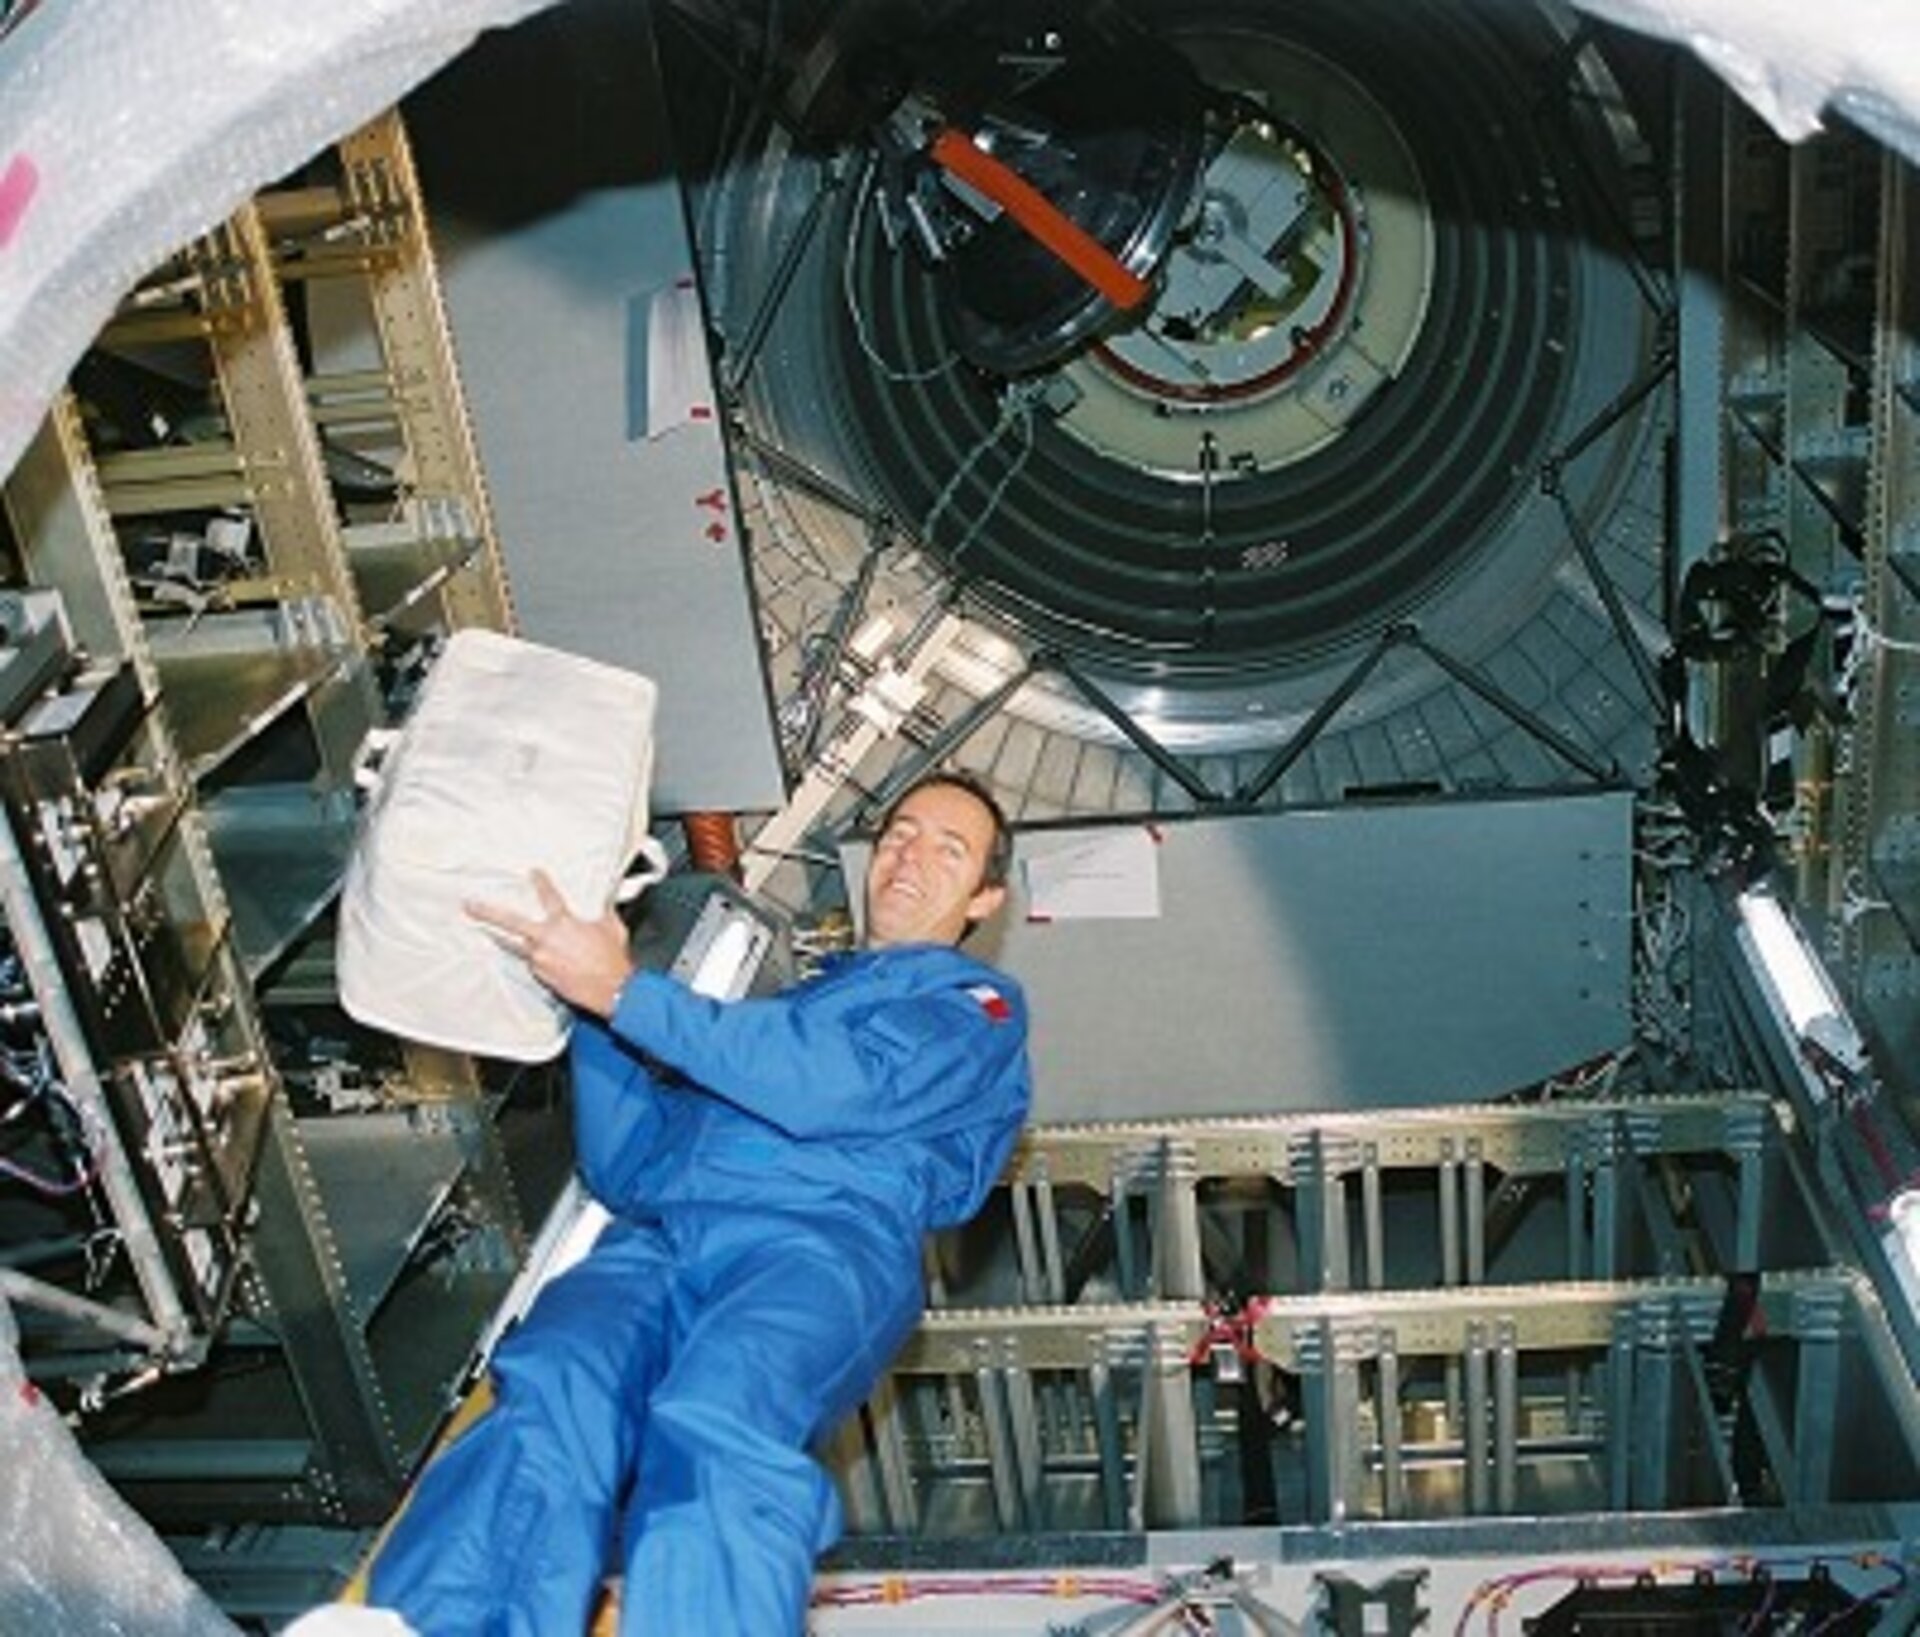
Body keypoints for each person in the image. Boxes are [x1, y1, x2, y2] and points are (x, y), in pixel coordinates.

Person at [360, 771, 1032, 1636]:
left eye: (949, 848)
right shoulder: (771, 1016)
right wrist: (594, 1019)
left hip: (820, 1247)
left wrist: (624, 993)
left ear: (985, 896)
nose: (911, 856)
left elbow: (836, 1087)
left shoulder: (972, 1006)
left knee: (717, 1419)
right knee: (553, 1386)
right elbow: (631, 1165)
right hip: (660, 1235)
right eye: (900, 832)